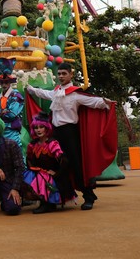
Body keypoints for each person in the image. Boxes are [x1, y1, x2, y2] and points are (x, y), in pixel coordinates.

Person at [26, 62, 115, 210]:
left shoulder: (75, 94)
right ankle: (54, 198)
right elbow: (42, 93)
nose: (61, 76)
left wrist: (106, 102)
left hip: (69, 133)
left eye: (64, 74)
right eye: (59, 74)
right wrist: (30, 89)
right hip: (54, 133)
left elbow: (93, 102)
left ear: (70, 75)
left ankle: (88, 196)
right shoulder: (55, 92)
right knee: (54, 165)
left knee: (75, 164)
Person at [23, 112, 76, 214]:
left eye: (41, 127)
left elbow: (64, 161)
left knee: (42, 177)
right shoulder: (32, 145)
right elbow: (29, 159)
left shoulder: (52, 143)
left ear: (46, 128)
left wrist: (56, 173)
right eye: (36, 127)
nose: (38, 130)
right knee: (28, 177)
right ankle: (44, 202)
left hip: (53, 177)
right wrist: (33, 170)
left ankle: (47, 204)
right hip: (39, 173)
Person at [0, 58, 26, 149]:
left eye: (6, 82)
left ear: (10, 82)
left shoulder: (16, 95)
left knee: (16, 154)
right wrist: (3, 112)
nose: (4, 85)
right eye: (2, 82)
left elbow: (12, 114)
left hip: (12, 131)